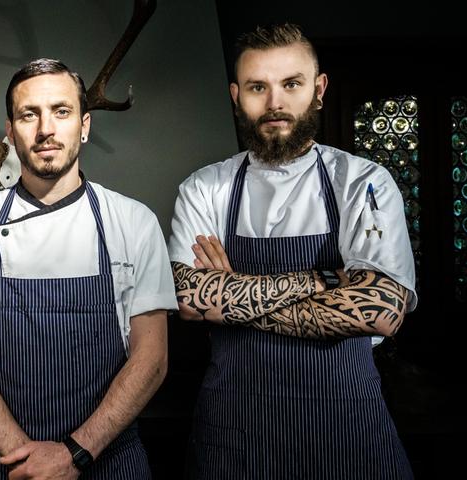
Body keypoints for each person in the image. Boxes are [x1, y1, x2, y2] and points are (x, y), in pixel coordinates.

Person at [169, 23, 416, 479]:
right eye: (257, 87)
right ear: (235, 94)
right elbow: (190, 300)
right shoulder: (206, 188)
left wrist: (229, 296)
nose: (275, 103)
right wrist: (322, 279)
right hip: (234, 431)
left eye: (291, 84)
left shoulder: (362, 182)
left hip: (348, 430)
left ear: (318, 90)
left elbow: (380, 312)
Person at [0, 58, 177, 479]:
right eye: (28, 114)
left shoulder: (133, 222)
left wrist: (75, 453)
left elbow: (152, 360)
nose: (45, 130)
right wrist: (28, 459)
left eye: (61, 111)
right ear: (10, 129)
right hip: (2, 464)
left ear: (85, 125)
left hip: (108, 461)